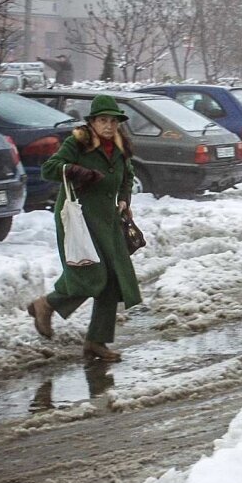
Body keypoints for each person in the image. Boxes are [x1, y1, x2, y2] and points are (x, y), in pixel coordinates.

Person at [27, 94, 142, 362]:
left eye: (113, 121)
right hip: (78, 218)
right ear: (92, 122)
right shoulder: (78, 143)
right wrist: (78, 172)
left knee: (111, 281)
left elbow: (127, 176)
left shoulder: (120, 145)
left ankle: (96, 342)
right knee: (92, 276)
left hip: (108, 219)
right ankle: (46, 304)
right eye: (103, 120)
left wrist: (124, 199)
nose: (109, 126)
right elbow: (50, 169)